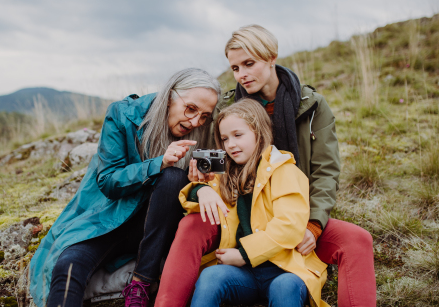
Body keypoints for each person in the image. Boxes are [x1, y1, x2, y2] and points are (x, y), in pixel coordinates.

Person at [156, 25, 376, 307]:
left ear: (271, 58)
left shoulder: (311, 107)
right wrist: (200, 185)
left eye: (249, 63)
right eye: (235, 68)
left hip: (294, 209)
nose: (241, 74)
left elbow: (325, 172)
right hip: (239, 205)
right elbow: (210, 159)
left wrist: (313, 225)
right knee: (191, 225)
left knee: (356, 240)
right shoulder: (226, 107)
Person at [28, 68, 220, 307]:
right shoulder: (122, 115)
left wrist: (201, 183)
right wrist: (158, 163)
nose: (195, 122)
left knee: (172, 178)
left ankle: (140, 285)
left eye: (204, 116)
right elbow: (108, 180)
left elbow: (207, 189)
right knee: (68, 266)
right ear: (170, 95)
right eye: (190, 109)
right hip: (107, 219)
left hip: (157, 227)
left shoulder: (205, 133)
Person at [183, 99, 328, 306]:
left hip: (285, 268)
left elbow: (289, 226)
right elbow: (189, 201)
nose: (230, 144)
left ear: (259, 132)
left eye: (238, 135)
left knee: (284, 287)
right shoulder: (226, 173)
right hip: (244, 274)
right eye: (224, 139)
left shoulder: (285, 170)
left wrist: (244, 255)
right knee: (211, 276)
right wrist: (201, 189)